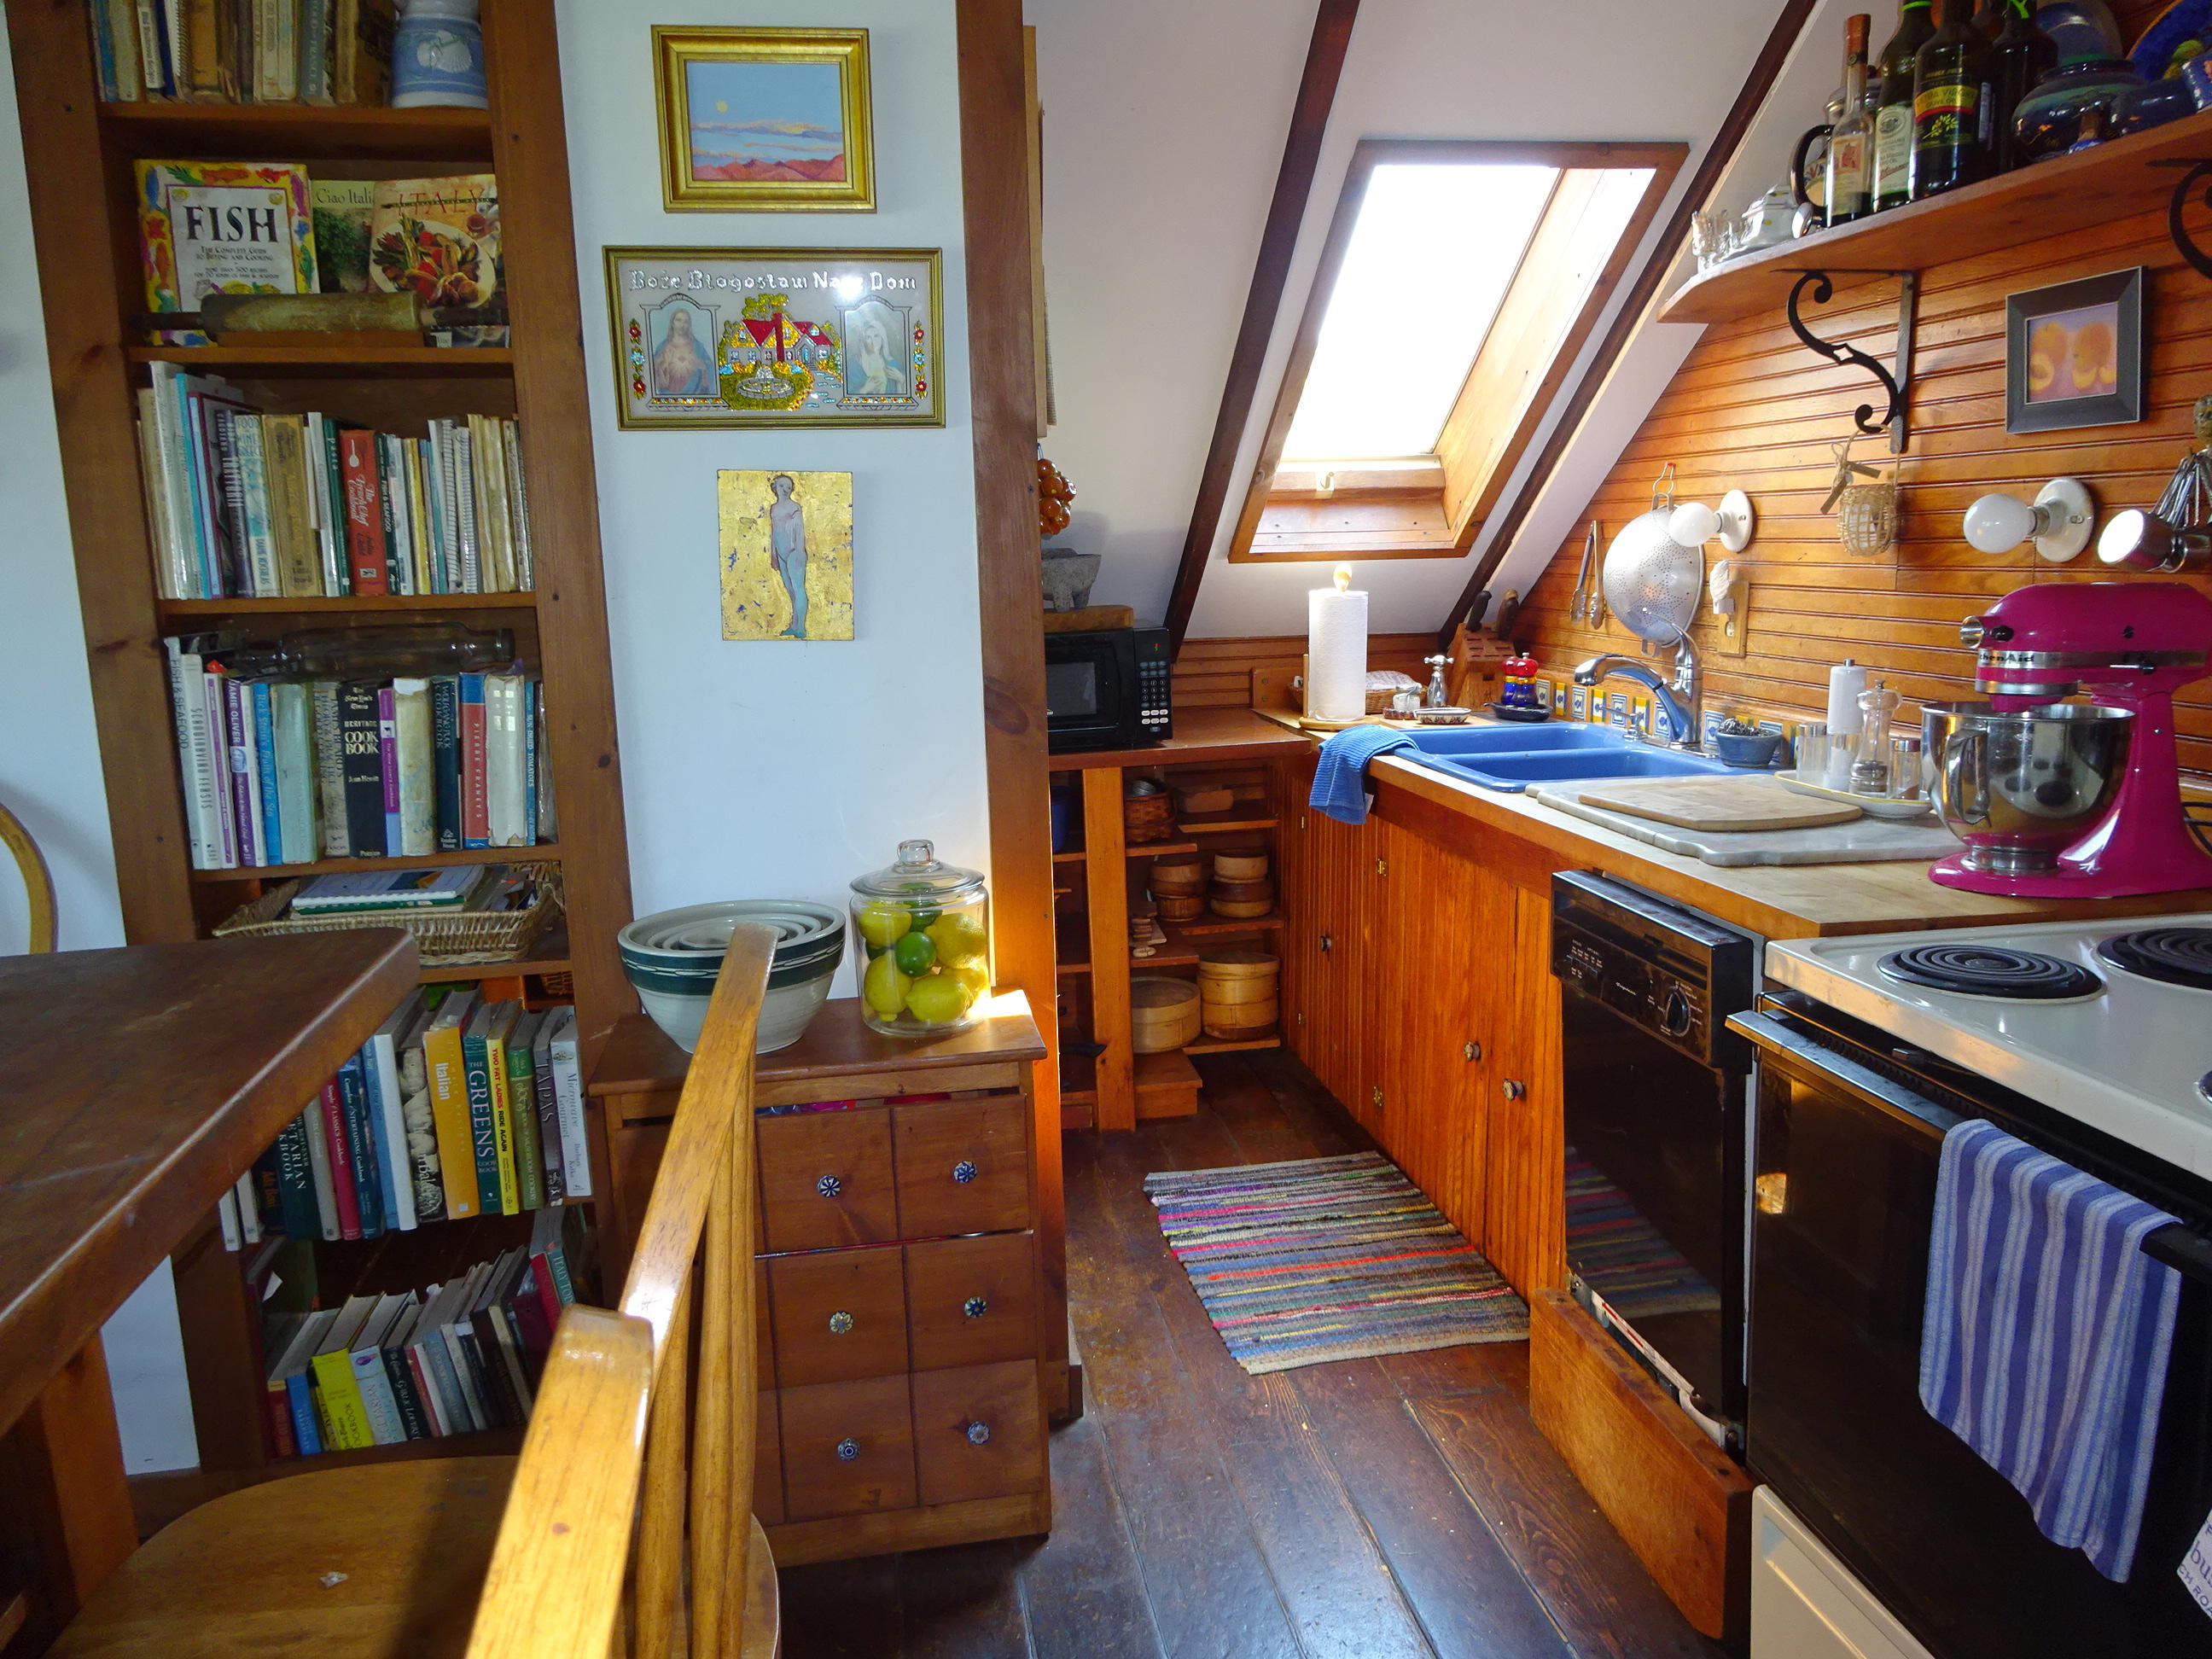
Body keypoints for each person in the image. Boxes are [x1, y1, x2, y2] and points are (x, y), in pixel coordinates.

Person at [767, 474, 810, 638]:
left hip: (794, 553)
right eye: (782, 486)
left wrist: (799, 551)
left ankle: (801, 627)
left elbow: (799, 530)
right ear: (775, 487)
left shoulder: (794, 507)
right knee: (791, 591)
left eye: (788, 487)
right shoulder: (774, 508)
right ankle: (794, 625)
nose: (785, 489)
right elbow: (774, 532)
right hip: (781, 553)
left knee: (799, 589)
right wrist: (773, 554)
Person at [651, 303, 713, 397]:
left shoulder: (698, 347)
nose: (682, 325)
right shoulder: (662, 347)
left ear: (689, 325)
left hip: (694, 395)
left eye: (686, 322)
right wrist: (661, 365)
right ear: (672, 323)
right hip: (668, 397)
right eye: (678, 320)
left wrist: (702, 366)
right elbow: (653, 371)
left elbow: (710, 368)